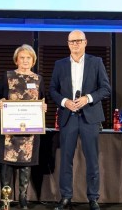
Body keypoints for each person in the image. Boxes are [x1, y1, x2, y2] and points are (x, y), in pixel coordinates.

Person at [49, 30, 111, 210]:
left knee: (92, 160)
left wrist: (88, 98)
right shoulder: (60, 64)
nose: (75, 44)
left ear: (85, 42)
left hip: (89, 117)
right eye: (72, 41)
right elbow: (53, 90)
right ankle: (66, 197)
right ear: (68, 44)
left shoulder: (96, 62)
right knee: (66, 160)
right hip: (68, 117)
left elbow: (105, 89)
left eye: (78, 41)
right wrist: (65, 102)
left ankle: (93, 198)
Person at [0, 44, 46, 210]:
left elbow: (43, 99)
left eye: (28, 58)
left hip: (29, 132)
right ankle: (6, 198)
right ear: (16, 60)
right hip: (9, 132)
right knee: (6, 164)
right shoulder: (8, 76)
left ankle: (23, 197)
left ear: (33, 61)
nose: (25, 61)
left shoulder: (38, 79)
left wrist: (43, 107)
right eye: (22, 58)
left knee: (26, 164)